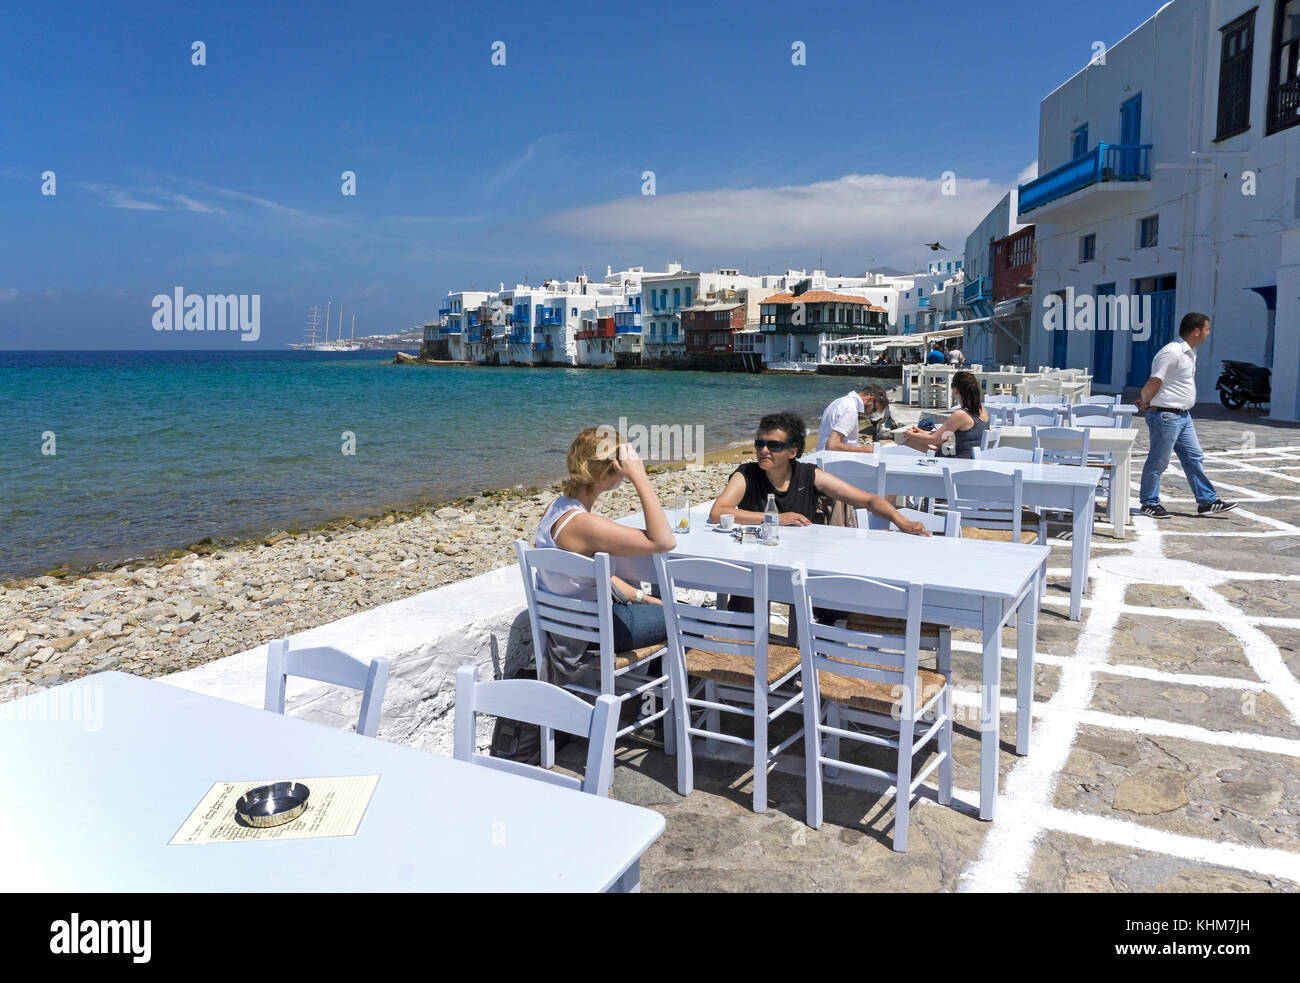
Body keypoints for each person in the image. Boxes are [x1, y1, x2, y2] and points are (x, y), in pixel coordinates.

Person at [536, 427, 676, 685]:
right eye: (622, 464)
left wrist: (643, 598)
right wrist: (640, 478)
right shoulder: (585, 524)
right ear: (605, 472)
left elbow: (591, 576)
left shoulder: (557, 507)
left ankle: (653, 689)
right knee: (686, 617)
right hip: (594, 631)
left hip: (567, 627)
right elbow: (664, 541)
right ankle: (662, 701)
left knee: (662, 606)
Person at [709, 411, 930, 534]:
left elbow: (869, 500)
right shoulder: (746, 474)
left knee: (822, 610)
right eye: (760, 444)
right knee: (744, 605)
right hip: (756, 553)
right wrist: (777, 518)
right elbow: (717, 512)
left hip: (801, 559)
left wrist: (903, 522)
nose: (763, 450)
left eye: (774, 446)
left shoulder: (808, 475)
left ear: (792, 452)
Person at [1135, 313, 1237, 517]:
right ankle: (1149, 502)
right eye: (1207, 329)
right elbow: (1155, 380)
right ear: (1196, 331)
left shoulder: (1190, 352)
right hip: (1166, 417)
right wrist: (1145, 401)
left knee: (1194, 457)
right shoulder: (1172, 352)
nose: (1209, 333)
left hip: (1183, 416)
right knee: (1158, 461)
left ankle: (1207, 501)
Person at [898, 370, 989, 459]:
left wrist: (909, 434)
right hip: (970, 458)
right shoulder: (982, 410)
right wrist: (922, 432)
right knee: (921, 442)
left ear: (956, 391)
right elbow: (946, 435)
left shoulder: (960, 414)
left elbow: (935, 439)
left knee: (910, 442)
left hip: (958, 461)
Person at [816, 384, 890, 453]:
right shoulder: (850, 409)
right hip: (832, 462)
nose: (871, 413)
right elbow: (831, 446)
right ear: (870, 399)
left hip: (823, 456)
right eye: (874, 409)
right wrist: (863, 450)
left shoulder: (840, 401)